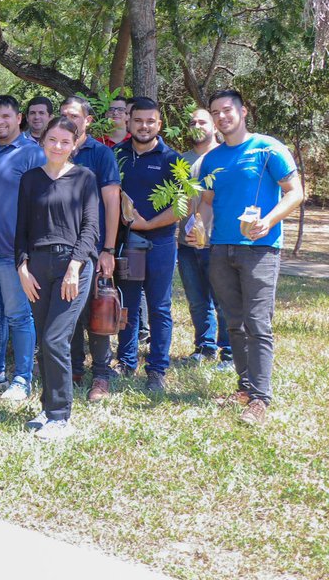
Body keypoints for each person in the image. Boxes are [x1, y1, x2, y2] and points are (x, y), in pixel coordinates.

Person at [192, 89, 304, 427]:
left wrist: (268, 220)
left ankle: (260, 398)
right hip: (221, 250)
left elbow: (296, 192)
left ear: (243, 111)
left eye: (227, 110)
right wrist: (198, 226)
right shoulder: (211, 159)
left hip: (260, 249)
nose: (222, 116)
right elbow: (208, 202)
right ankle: (244, 388)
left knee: (258, 322)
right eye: (216, 112)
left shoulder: (269, 149)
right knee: (235, 322)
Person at [16, 117, 99, 441]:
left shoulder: (84, 178)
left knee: (55, 339)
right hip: (36, 266)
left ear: (75, 144)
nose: (58, 146)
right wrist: (21, 267)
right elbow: (21, 228)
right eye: (52, 140)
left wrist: (75, 267)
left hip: (72, 265)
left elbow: (91, 227)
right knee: (44, 341)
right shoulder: (30, 180)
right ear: (43, 141)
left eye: (65, 141)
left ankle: (61, 416)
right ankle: (48, 406)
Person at [0, 95, 44, 401]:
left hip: (13, 253)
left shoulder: (32, 154)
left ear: (19, 119)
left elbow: (41, 205)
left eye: (6, 117)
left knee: (18, 316)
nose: (0, 122)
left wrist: (27, 253)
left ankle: (22, 378)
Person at [114, 98, 181, 393]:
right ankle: (126, 362)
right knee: (127, 305)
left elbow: (184, 204)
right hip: (128, 245)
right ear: (129, 122)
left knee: (159, 307)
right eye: (138, 120)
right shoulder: (116, 155)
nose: (144, 126)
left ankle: (156, 369)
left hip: (161, 243)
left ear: (159, 124)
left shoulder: (171, 159)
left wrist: (149, 224)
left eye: (150, 121)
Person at [59, 96, 121, 401]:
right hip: (60, 247)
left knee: (97, 313)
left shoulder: (100, 154)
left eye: (75, 115)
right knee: (67, 311)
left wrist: (107, 248)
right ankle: (73, 369)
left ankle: (101, 375)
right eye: (64, 115)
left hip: (93, 248)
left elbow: (112, 202)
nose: (69, 120)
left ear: (88, 120)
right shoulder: (56, 150)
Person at [176, 107, 231, 367]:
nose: (197, 125)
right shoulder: (180, 161)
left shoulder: (225, 156)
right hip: (186, 242)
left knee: (222, 299)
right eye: (192, 122)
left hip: (216, 241)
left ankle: (229, 352)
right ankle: (204, 347)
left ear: (214, 127)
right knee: (197, 300)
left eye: (203, 121)